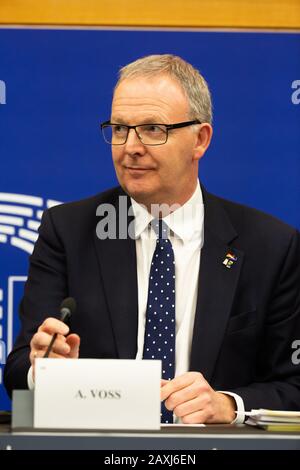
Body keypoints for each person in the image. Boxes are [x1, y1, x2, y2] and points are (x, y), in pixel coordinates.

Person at [4, 54, 300, 424]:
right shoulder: (67, 231)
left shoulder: (270, 247)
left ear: (200, 140)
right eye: (119, 129)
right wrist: (42, 369)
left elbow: (293, 385)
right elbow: (17, 373)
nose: (130, 146)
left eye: (153, 129)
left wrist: (228, 405)